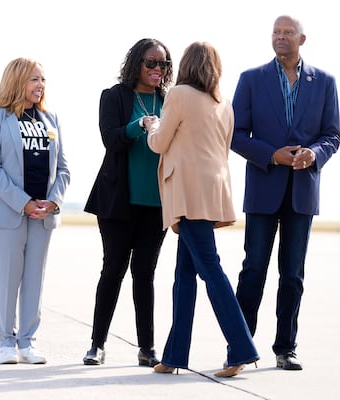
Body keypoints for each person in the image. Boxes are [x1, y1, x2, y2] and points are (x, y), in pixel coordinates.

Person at [231, 15, 340, 371]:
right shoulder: (251, 79)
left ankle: (285, 348)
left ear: (302, 39)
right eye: (276, 32)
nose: (280, 37)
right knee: (253, 270)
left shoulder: (324, 82)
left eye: (287, 32)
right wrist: (270, 155)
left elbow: (333, 135)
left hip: (302, 192)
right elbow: (235, 134)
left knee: (292, 274)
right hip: (263, 188)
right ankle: (240, 345)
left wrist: (315, 154)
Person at [146, 41, 259, 378]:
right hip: (212, 194)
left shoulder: (178, 94)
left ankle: (241, 347)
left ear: (186, 65)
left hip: (188, 195)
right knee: (184, 276)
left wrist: (152, 126)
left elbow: (159, 143)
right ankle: (175, 355)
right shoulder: (223, 104)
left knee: (210, 270)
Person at [82, 38, 172, 367]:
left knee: (145, 275)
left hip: (157, 205)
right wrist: (139, 126)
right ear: (137, 64)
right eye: (151, 63)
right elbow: (111, 138)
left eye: (163, 64)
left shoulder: (170, 100)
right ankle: (97, 344)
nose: (157, 70)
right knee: (113, 270)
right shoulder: (115, 96)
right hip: (118, 202)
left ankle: (147, 348)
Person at [0, 57, 70, 364]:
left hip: (43, 215)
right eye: (34, 80)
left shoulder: (50, 118)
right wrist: (23, 202)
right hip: (8, 212)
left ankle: (27, 342)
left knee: (34, 279)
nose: (40, 86)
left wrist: (52, 201)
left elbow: (64, 169)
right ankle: (4, 341)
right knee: (7, 278)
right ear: (18, 81)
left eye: (43, 80)